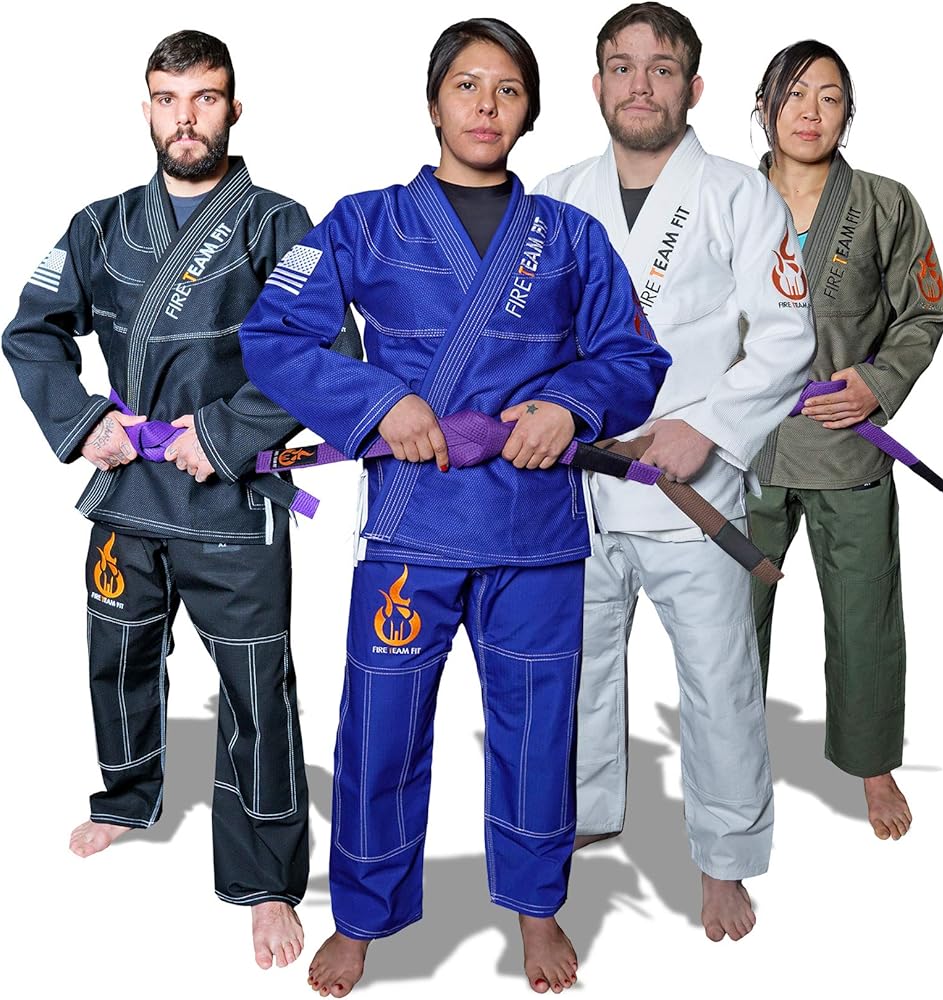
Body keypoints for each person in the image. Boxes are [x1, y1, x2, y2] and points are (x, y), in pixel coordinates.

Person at [239, 17, 670, 994]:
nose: (486, 105)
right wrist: (378, 402)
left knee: (538, 731)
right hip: (411, 524)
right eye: (466, 85)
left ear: (530, 111)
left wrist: (570, 405)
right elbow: (274, 334)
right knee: (380, 730)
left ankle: (536, 907)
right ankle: (362, 916)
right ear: (433, 102)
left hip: (535, 529)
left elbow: (632, 355)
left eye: (507, 89)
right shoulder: (362, 222)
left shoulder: (571, 235)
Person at [2, 29, 361, 969]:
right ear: (147, 108)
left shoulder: (277, 224)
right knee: (116, 653)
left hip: (234, 501)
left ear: (234, 109)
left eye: (204, 98)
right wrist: (83, 420)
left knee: (254, 687)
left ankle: (266, 878)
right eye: (167, 98)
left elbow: (331, 352)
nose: (185, 117)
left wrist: (229, 431)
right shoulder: (101, 224)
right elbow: (30, 332)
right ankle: (128, 797)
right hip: (128, 489)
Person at [534, 2, 814, 941]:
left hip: (689, 487)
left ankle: (726, 857)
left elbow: (786, 338)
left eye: (661, 69)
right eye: (622, 66)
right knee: (573, 666)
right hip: (574, 485)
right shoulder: (556, 195)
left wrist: (711, 428)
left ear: (693, 88)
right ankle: (585, 812)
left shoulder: (740, 196)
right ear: (597, 84)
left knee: (719, 678)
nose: (640, 85)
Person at [748, 40, 943, 842]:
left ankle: (872, 763)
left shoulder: (886, 204)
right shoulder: (723, 200)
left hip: (846, 442)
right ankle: (731, 757)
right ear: (763, 106)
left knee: (865, 616)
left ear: (848, 114)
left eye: (829, 97)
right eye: (794, 94)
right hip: (746, 447)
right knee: (730, 618)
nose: (810, 112)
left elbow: (923, 313)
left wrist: (878, 382)